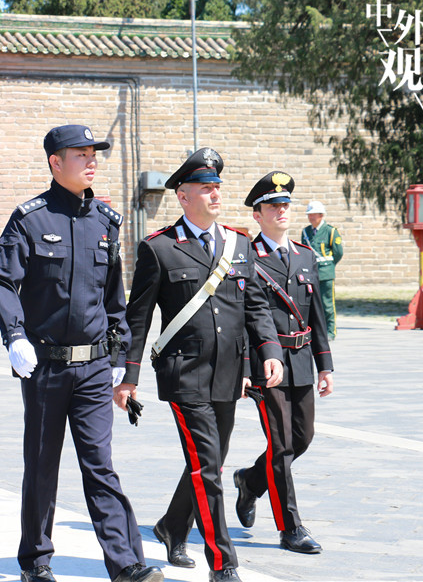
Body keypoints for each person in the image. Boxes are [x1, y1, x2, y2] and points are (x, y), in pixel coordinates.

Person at [0, 124, 163, 582]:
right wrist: (15, 336)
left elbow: (115, 302)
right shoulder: (30, 219)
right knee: (42, 465)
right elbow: (2, 277)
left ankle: (126, 564)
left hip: (92, 369)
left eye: (94, 153)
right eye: (80, 153)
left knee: (99, 464)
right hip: (44, 367)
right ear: (55, 162)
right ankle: (36, 562)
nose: (91, 161)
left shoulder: (105, 222)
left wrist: (125, 368)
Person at [118, 147, 283, 582]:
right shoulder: (160, 248)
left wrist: (268, 352)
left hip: (230, 374)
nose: (215, 195)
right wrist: (128, 376)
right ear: (182, 196)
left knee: (209, 460)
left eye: (217, 188)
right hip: (184, 373)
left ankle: (172, 526)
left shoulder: (239, 244)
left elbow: (254, 307)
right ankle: (223, 562)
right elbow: (138, 319)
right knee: (208, 466)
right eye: (205, 188)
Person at [232, 172, 335, 556]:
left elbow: (317, 313)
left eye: (285, 204)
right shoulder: (246, 258)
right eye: (273, 206)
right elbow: (241, 319)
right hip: (265, 364)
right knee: (281, 444)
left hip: (302, 360)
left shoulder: (304, 254)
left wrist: (324, 364)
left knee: (302, 438)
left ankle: (250, 481)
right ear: (257, 215)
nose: (281, 210)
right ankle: (290, 527)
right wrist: (244, 370)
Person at [300, 200, 343, 339]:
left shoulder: (331, 231)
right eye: (309, 215)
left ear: (321, 215)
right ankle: (317, 331)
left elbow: (338, 253)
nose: (311, 217)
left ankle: (330, 331)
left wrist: (329, 267)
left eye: (313, 214)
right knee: (312, 304)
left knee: (327, 304)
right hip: (311, 273)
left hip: (326, 273)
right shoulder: (305, 232)